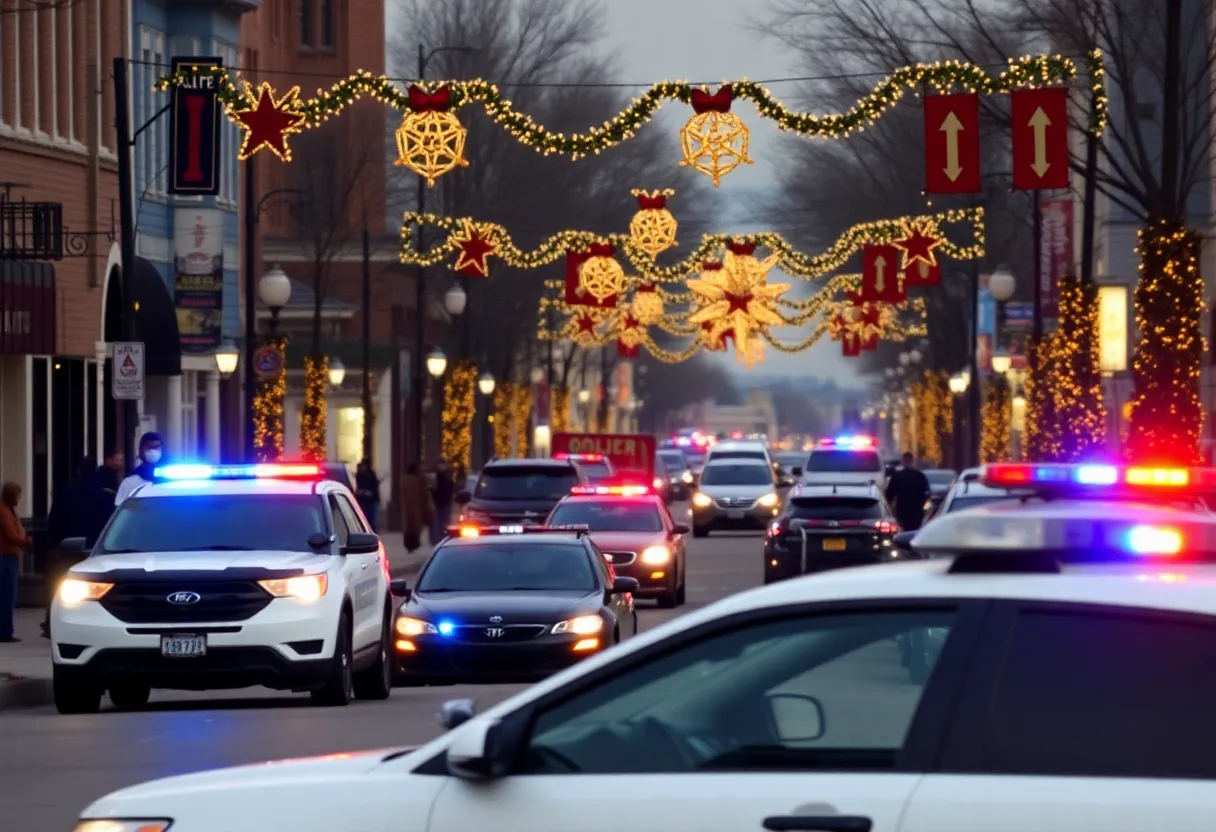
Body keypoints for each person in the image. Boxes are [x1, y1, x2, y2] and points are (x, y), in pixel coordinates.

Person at [42, 457, 116, 636]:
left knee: (60, 588)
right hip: (97, 552)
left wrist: (57, 542)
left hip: (68, 551)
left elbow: (54, 523)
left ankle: (54, 623)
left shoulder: (65, 494)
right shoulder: (106, 497)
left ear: (78, 471)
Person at [0, 482, 30, 643]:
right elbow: (10, 534)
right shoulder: (4, 512)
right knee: (7, 594)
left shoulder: (9, 511)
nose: (19, 499)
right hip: (6, 556)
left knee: (8, 594)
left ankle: (5, 629)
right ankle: (4, 631)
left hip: (10, 555)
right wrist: (24, 541)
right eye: (17, 495)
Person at [885, 451, 932, 531]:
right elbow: (926, 493)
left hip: (902, 510)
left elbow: (889, 495)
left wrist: (890, 509)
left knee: (903, 529)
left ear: (903, 462)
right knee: (914, 530)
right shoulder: (919, 476)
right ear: (912, 461)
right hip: (916, 510)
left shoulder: (897, 476)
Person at [116, 432, 164, 506]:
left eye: (156, 447)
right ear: (141, 450)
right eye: (148, 447)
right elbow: (120, 508)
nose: (153, 451)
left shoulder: (171, 479)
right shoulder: (130, 482)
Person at [400, 462, 433, 553]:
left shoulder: (405, 479)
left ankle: (409, 545)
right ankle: (414, 544)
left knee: (408, 527)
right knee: (416, 526)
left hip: (407, 507)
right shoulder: (419, 479)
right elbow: (424, 493)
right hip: (417, 506)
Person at [430, 458, 455, 544]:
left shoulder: (446, 475)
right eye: (442, 464)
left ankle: (441, 537)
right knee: (439, 521)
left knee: (443, 521)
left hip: (445, 501)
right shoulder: (439, 476)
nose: (443, 466)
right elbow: (436, 489)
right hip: (440, 501)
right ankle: (438, 538)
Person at [355, 459, 381, 532]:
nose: (363, 468)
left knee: (371, 520)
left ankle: (373, 534)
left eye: (364, 466)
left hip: (371, 501)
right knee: (363, 520)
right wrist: (360, 492)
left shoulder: (371, 475)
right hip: (362, 500)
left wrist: (369, 492)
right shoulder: (359, 475)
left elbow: (374, 488)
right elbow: (358, 486)